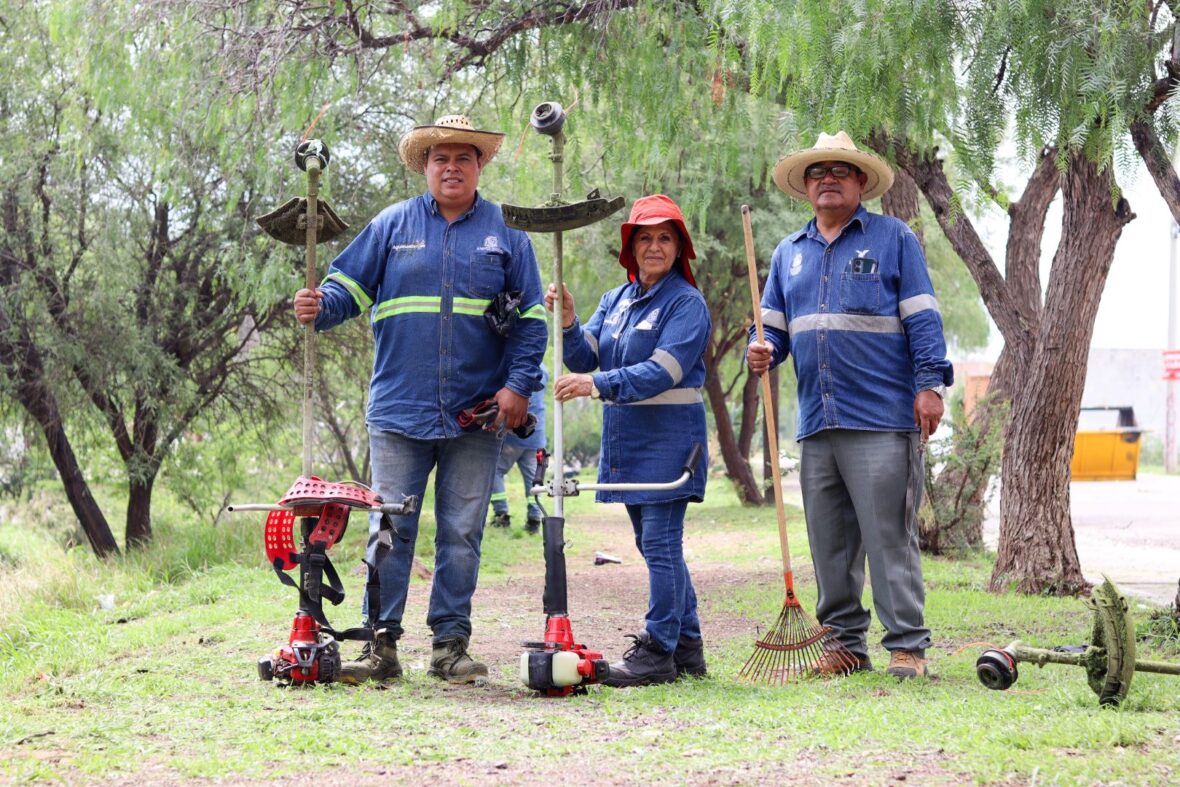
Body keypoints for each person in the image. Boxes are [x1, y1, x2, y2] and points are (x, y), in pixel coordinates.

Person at [293, 115, 547, 684]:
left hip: (476, 414)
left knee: (461, 530)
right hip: (398, 413)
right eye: (440, 158)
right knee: (390, 529)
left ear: (480, 166)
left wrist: (518, 386)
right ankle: (380, 646)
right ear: (425, 167)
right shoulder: (391, 225)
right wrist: (320, 304)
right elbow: (346, 288)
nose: (451, 167)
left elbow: (532, 320)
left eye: (463, 157)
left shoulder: (508, 234)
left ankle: (450, 646)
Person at [746, 131, 953, 680]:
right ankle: (844, 645)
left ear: (861, 182)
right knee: (830, 544)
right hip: (818, 421)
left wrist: (930, 385)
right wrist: (760, 349)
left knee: (889, 538)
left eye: (841, 170)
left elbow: (923, 318)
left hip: (883, 418)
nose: (828, 179)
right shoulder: (788, 254)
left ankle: (907, 646)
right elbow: (773, 330)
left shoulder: (893, 239)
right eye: (818, 172)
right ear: (806, 186)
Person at [545, 194, 711, 687]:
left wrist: (597, 385)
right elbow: (584, 356)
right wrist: (571, 320)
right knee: (652, 544)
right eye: (645, 238)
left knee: (660, 544)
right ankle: (688, 646)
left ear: (678, 247)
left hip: (670, 444)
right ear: (631, 248)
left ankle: (658, 649)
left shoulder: (687, 303)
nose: (654, 246)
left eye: (664, 237)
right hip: (628, 445)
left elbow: (663, 371)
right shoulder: (616, 301)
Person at [488, 365, 548, 534]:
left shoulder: (514, 368)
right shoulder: (544, 371)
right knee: (533, 479)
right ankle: (535, 519)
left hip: (514, 434)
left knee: (495, 471)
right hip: (536, 434)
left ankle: (501, 514)